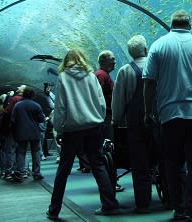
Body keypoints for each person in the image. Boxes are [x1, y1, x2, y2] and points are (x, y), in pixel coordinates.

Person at [143, 10, 192, 222]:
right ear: (189, 25)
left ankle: (180, 209)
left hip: (170, 114)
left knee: (173, 164)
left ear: (171, 24)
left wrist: (148, 112)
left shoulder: (158, 46)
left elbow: (149, 81)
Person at [46, 48, 121, 220]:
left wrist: (59, 127)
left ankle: (54, 209)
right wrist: (98, 119)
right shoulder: (91, 76)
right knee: (98, 165)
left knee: (63, 169)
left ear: (67, 61)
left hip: (72, 129)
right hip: (93, 126)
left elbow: (60, 106)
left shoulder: (63, 77)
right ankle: (110, 204)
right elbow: (101, 102)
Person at [112, 34, 157, 213]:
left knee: (139, 163)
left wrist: (116, 121)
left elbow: (118, 101)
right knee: (165, 158)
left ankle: (143, 203)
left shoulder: (125, 71)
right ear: (146, 49)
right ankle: (172, 198)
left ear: (131, 53)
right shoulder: (157, 65)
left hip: (135, 125)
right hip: (158, 122)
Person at [11, 87, 46, 182]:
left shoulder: (17, 105)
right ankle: (36, 173)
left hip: (21, 132)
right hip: (34, 132)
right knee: (36, 152)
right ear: (33, 95)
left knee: (21, 153)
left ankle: (19, 173)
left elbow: (13, 119)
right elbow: (41, 119)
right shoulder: (36, 105)